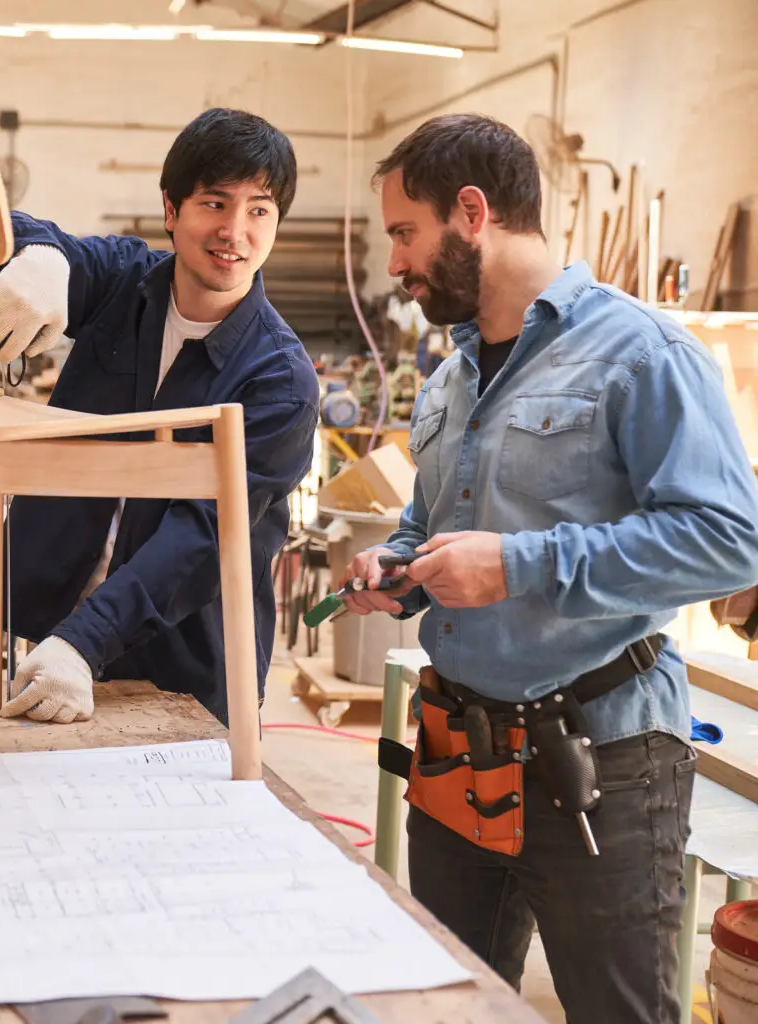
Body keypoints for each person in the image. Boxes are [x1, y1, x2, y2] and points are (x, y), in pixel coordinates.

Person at [337, 114, 758, 1022]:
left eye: (406, 233)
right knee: (451, 1004)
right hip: (459, 761)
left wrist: (519, 566)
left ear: (472, 212)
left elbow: (731, 540)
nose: (397, 264)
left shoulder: (642, 354)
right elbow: (437, 523)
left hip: (602, 768)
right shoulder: (453, 378)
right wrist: (402, 562)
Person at [0, 107, 320, 727]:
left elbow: (202, 540)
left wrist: (85, 642)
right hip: (49, 640)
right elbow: (11, 229)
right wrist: (40, 261)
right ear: (172, 210)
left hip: (182, 672)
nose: (235, 232)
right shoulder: (123, 286)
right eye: (215, 203)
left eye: (259, 210)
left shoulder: (279, 380)